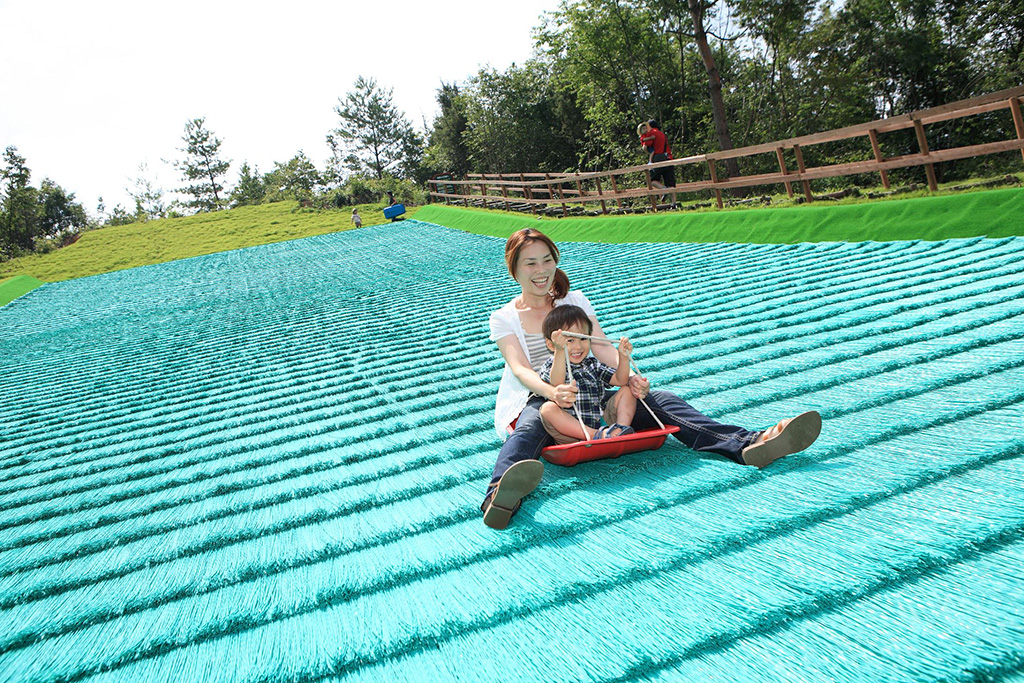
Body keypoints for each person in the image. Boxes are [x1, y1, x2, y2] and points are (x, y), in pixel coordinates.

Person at [481, 227, 822, 530]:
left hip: (592, 390)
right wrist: (553, 392)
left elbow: (602, 348)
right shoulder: (504, 318)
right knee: (530, 426)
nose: (541, 271)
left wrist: (630, 378)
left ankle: (747, 444)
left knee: (662, 402)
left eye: (547, 260)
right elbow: (521, 370)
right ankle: (500, 495)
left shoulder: (575, 301)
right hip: (543, 393)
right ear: (514, 269)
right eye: (530, 263)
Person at [538, 305, 637, 443]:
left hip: (601, 421)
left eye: (583, 339)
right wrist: (560, 351)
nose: (578, 346)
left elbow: (620, 380)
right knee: (547, 409)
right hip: (571, 432)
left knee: (627, 389)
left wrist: (623, 358)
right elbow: (557, 383)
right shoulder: (551, 364)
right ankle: (596, 435)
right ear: (551, 345)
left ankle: (620, 430)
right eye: (570, 340)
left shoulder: (592, 364)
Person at [640, 119, 677, 207]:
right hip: (668, 158)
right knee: (670, 183)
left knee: (651, 180)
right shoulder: (662, 133)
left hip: (658, 159)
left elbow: (645, 146)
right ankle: (674, 203)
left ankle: (664, 189)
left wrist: (647, 151)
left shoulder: (651, 133)